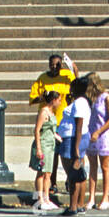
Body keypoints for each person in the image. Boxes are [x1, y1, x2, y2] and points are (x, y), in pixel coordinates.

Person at [29, 53, 79, 193]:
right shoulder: (42, 79)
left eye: (57, 64)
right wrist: (45, 97)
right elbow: (32, 99)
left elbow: (77, 86)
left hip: (64, 121)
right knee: (52, 155)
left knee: (66, 154)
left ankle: (70, 181)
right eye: (52, 65)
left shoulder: (66, 75)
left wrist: (74, 69)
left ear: (61, 65)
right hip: (48, 120)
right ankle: (52, 183)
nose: (55, 67)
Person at [58, 77, 91, 215]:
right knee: (79, 173)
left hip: (73, 139)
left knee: (72, 174)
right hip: (78, 138)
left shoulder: (79, 103)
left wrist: (76, 149)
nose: (69, 89)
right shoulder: (82, 101)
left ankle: (73, 207)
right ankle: (80, 204)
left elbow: (78, 126)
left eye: (71, 87)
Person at [85, 72, 109, 210]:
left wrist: (99, 131)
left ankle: (105, 198)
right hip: (91, 134)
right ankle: (91, 197)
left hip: (102, 135)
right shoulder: (89, 98)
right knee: (92, 167)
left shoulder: (106, 98)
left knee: (104, 166)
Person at [30, 90, 60, 212]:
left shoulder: (52, 112)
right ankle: (39, 199)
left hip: (50, 145)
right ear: (53, 100)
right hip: (42, 144)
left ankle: (47, 198)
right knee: (41, 173)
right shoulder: (43, 112)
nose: (60, 102)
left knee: (48, 173)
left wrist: (56, 136)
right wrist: (38, 148)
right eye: (58, 100)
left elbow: (51, 129)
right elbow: (37, 130)